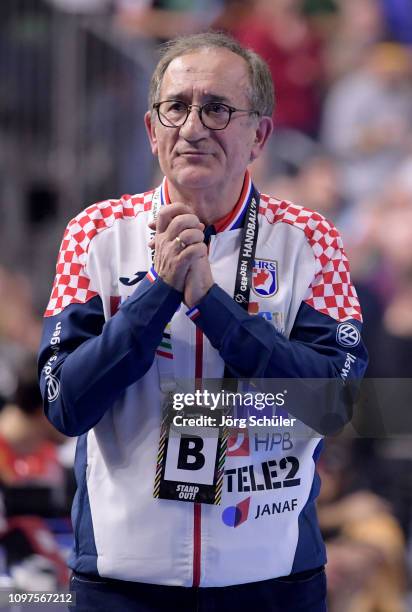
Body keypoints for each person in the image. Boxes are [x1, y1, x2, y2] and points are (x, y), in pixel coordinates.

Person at [38, 32, 368, 612]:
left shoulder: (310, 240)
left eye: (217, 108)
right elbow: (66, 404)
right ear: (151, 129)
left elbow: (333, 404)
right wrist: (159, 293)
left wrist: (213, 307)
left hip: (272, 582)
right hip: (122, 585)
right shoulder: (96, 233)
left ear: (259, 134)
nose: (193, 126)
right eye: (177, 107)